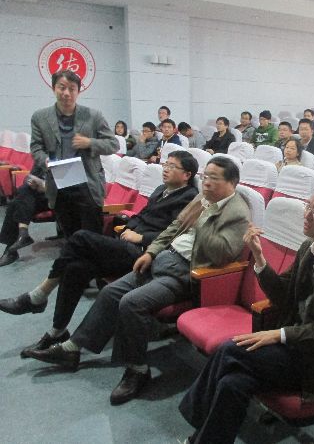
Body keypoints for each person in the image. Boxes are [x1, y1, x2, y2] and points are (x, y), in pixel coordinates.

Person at [27, 156, 251, 405]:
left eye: (213, 178)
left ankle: (138, 370)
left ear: (231, 183)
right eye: (205, 176)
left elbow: (221, 253)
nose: (206, 183)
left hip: (187, 273)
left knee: (131, 303)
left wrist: (204, 218)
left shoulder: (237, 213)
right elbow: (173, 228)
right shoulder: (202, 197)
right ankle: (72, 348)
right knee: (111, 292)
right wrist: (150, 252)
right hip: (164, 258)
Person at [178, 183, 314, 444]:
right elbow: (283, 296)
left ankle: (192, 416)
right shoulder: (309, 247)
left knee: (229, 350)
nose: (306, 215)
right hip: (293, 347)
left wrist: (278, 335)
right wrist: (259, 257)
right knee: (233, 383)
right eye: (308, 206)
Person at [0, 151, 199, 354]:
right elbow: (142, 216)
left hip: (145, 253)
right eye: (166, 164)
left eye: (172, 166)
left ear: (187, 175)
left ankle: (39, 295)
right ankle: (57, 331)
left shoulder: (189, 198)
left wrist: (141, 237)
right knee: (76, 268)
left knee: (80, 237)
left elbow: (176, 234)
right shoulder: (160, 189)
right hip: (126, 243)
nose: (165, 169)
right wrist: (128, 227)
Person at [30, 69, 118, 238]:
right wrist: (45, 160)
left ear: (78, 91)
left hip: (88, 183)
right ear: (53, 88)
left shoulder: (93, 115)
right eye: (62, 87)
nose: (66, 93)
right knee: (70, 236)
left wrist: (89, 142)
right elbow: (36, 147)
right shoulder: (40, 117)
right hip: (59, 182)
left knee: (93, 235)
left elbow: (113, 144)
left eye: (72, 89)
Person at [0, 165, 49, 266]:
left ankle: (12, 249)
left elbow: (73, 184)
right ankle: (22, 235)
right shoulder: (42, 160)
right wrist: (32, 182)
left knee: (18, 201)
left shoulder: (68, 158)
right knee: (22, 194)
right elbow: (29, 176)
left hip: (60, 197)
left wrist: (45, 186)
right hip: (41, 196)